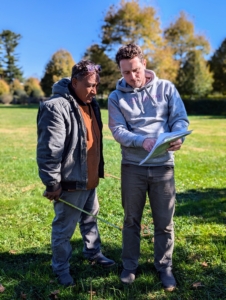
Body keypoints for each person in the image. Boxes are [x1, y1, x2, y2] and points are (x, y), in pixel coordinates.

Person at [108, 44, 189, 291]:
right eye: (126, 73)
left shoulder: (166, 89)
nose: (132, 76)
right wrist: (141, 141)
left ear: (144, 63)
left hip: (163, 166)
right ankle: (129, 266)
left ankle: (164, 267)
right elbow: (118, 130)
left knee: (164, 221)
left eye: (135, 70)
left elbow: (180, 120)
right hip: (133, 166)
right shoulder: (115, 97)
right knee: (131, 219)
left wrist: (178, 137)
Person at [37, 60, 115, 287]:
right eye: (90, 85)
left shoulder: (92, 103)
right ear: (75, 82)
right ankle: (60, 268)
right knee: (64, 228)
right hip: (70, 182)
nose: (94, 90)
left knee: (91, 219)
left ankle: (93, 253)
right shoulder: (56, 107)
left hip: (89, 178)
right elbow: (49, 150)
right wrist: (52, 183)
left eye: (97, 86)